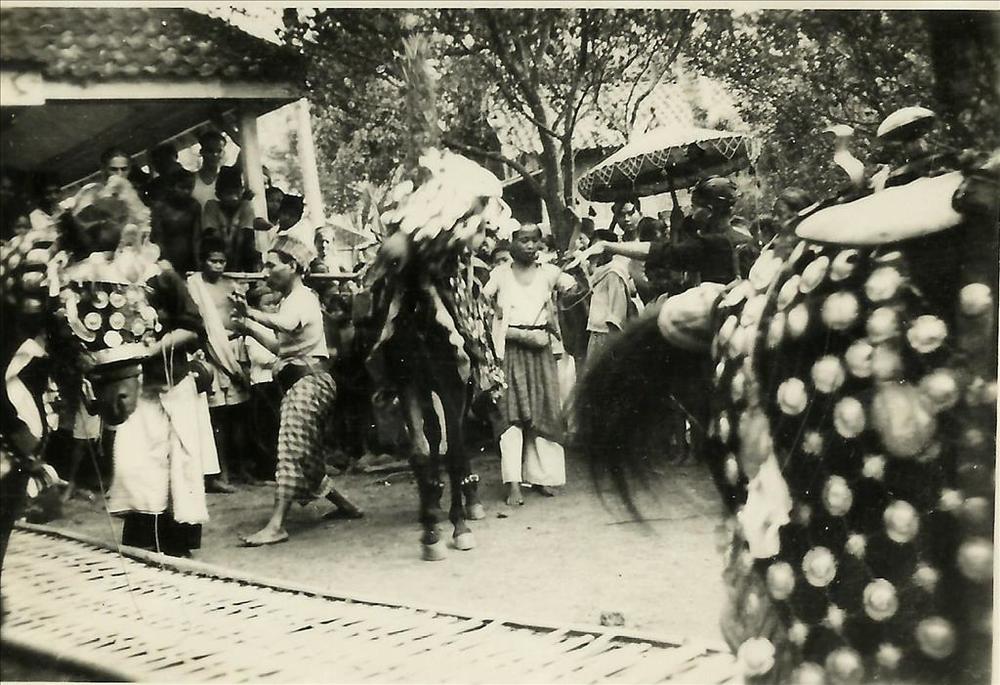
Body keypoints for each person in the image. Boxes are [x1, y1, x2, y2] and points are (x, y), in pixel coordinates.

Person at [231, 234, 363, 546]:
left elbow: (288, 325)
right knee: (307, 456)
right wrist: (247, 327)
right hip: (302, 383)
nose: (266, 272)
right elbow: (282, 347)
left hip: (310, 383)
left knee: (289, 448)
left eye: (271, 265)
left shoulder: (302, 298)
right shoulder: (291, 301)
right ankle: (347, 506)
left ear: (292, 266)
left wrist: (251, 313)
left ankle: (277, 525)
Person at [482, 223, 576, 506]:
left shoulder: (549, 272)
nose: (530, 245)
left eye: (535, 240)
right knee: (511, 415)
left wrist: (571, 286)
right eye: (524, 240)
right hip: (510, 350)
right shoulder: (500, 274)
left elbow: (574, 289)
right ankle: (513, 483)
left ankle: (543, 477)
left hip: (541, 349)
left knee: (544, 409)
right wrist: (508, 330)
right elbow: (482, 304)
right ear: (512, 243)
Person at [586, 177, 755, 286]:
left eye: (694, 207)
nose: (692, 214)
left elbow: (660, 251)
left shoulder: (712, 243)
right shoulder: (745, 239)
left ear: (709, 212)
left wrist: (607, 246)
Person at [186, 237, 252, 491]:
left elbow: (241, 316)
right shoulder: (195, 285)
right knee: (217, 418)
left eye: (222, 261)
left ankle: (242, 469)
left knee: (239, 414)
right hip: (210, 352)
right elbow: (198, 324)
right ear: (203, 261)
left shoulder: (232, 285)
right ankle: (220, 471)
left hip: (234, 349)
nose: (217, 266)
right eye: (213, 261)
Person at [585, 230, 639, 365]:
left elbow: (617, 311)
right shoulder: (599, 271)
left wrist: (613, 340)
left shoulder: (614, 273)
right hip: (596, 332)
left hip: (607, 334)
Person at [201, 166, 258, 272]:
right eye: (229, 193)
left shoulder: (245, 206)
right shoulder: (212, 206)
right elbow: (212, 237)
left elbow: (246, 237)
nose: (234, 198)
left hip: (240, 258)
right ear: (218, 194)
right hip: (217, 259)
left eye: (237, 193)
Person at [150, 168, 201, 274]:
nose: (187, 192)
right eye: (182, 187)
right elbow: (158, 237)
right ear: (171, 186)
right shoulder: (160, 207)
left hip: (189, 260)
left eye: (190, 188)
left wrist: (198, 264)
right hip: (166, 258)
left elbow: (196, 237)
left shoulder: (194, 206)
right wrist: (165, 261)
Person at [191, 130, 227, 209]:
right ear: (202, 152)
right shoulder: (191, 180)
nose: (215, 154)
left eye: (219, 151)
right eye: (210, 151)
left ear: (223, 153)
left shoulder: (227, 179)